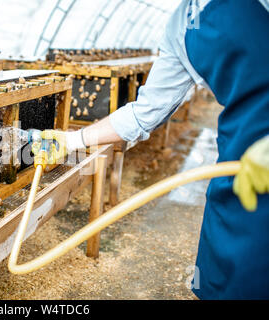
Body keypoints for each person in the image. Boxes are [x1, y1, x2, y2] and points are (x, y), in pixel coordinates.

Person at [35, 0, 269, 299]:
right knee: (232, 274)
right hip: (242, 157)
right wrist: (72, 141)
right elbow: (145, 112)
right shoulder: (181, 25)